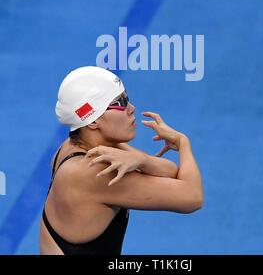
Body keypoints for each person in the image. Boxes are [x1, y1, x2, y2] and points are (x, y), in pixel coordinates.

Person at [40, 66, 204, 255]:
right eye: (121, 102)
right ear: (93, 120)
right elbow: (193, 196)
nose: (131, 108)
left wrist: (142, 160)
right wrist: (183, 143)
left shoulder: (77, 144)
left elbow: (170, 171)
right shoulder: (94, 171)